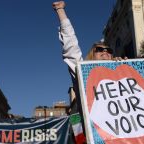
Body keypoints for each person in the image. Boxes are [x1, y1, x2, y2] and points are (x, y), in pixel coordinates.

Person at [52, 1, 127, 143]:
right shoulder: (84, 74)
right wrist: (61, 11)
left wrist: (128, 68)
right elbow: (71, 48)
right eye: (99, 50)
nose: (105, 52)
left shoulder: (123, 70)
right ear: (92, 55)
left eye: (109, 50)